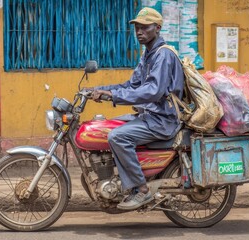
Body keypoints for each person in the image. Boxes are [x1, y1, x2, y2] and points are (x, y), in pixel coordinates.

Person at [91, 7, 184, 210]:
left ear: (157, 28)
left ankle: (141, 190)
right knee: (106, 126)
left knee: (117, 137)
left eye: (145, 27)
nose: (139, 32)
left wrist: (114, 96)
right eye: (137, 28)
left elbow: (152, 91)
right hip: (150, 115)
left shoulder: (163, 56)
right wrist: (100, 90)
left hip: (162, 119)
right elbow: (131, 86)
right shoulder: (148, 55)